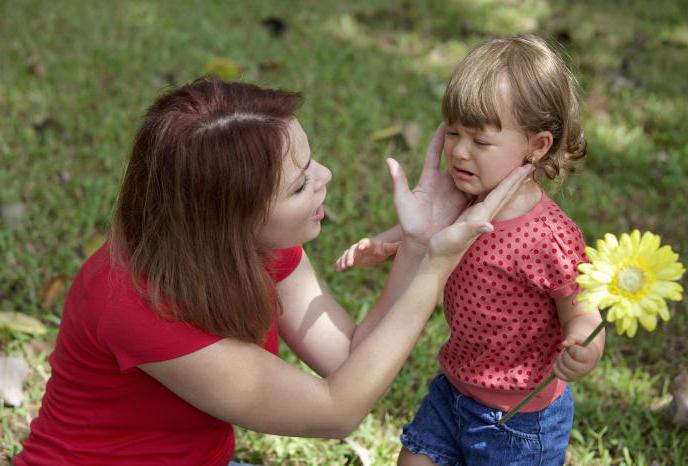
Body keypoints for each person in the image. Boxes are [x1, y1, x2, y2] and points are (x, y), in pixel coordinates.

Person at [14, 78, 532, 465]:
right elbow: (335, 412)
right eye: (300, 185)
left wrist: (419, 245)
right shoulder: (134, 300)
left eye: (312, 165)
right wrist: (432, 270)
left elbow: (348, 360)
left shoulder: (253, 244)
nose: (325, 178)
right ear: (228, 215)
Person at [336, 35, 606, 465]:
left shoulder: (548, 235)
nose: (460, 152)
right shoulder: (462, 197)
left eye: (480, 142)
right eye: (454, 134)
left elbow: (582, 307)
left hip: (520, 417)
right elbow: (425, 230)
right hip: (454, 387)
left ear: (536, 146)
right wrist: (384, 244)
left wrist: (586, 344)